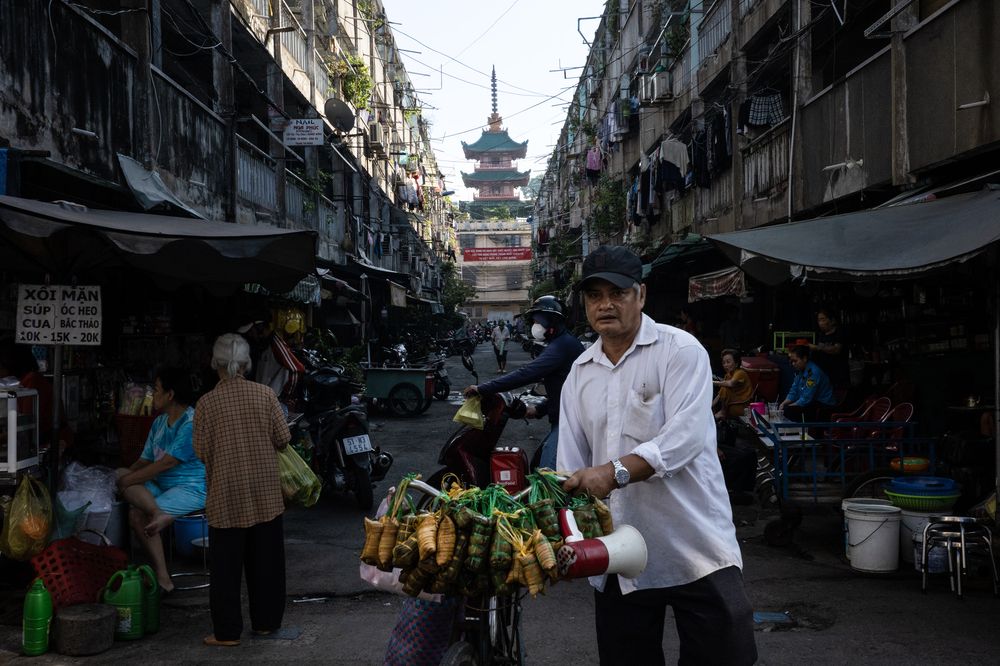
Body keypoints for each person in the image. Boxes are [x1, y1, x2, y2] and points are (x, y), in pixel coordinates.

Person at [557, 245, 756, 665]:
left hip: (694, 544)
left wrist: (615, 472)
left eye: (618, 292)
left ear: (641, 295)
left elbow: (685, 438)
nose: (606, 304)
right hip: (618, 552)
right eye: (595, 296)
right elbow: (570, 466)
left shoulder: (680, 350)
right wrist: (566, 528)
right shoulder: (580, 373)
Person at [194, 333, 291, 647]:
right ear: (247, 363)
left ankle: (226, 632)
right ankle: (265, 623)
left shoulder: (207, 403)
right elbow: (283, 438)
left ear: (216, 364)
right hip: (264, 494)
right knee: (266, 563)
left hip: (226, 495)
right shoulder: (265, 395)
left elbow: (200, 450)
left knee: (225, 569)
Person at [463, 295, 584, 470]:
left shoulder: (562, 345)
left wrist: (483, 389)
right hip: (564, 419)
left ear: (553, 321)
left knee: (546, 477)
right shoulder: (560, 343)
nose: (536, 325)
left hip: (571, 424)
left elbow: (528, 373)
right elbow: (565, 391)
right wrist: (538, 409)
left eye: (539, 320)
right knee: (538, 464)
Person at [116, 366, 205, 593]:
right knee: (120, 474)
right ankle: (157, 513)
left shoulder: (191, 423)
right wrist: (124, 476)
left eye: (156, 390)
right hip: (161, 485)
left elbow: (166, 463)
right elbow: (145, 461)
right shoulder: (159, 423)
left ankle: (163, 577)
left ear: (170, 394)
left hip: (190, 488)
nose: (152, 395)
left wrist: (128, 481)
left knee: (138, 514)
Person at [779, 345, 836, 422]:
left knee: (789, 411)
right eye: (791, 361)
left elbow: (806, 398)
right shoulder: (800, 371)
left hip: (824, 406)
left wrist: (789, 407)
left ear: (805, 359)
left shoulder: (813, 372)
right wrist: (784, 403)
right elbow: (794, 390)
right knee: (785, 409)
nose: (793, 364)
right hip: (812, 402)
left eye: (795, 361)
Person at [810, 308, 849, 389]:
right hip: (825, 376)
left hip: (839, 376)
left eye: (823, 319)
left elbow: (836, 349)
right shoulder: (822, 335)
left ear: (832, 320)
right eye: (819, 320)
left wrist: (817, 348)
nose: (820, 323)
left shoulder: (840, 332)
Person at [712, 349, 754, 421]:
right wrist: (709, 406)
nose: (725, 365)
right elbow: (719, 395)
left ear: (736, 364)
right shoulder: (728, 375)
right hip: (731, 405)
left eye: (728, 362)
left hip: (741, 406)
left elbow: (730, 384)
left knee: (726, 387)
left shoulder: (740, 373)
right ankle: (721, 412)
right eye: (724, 363)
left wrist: (712, 382)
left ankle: (723, 412)